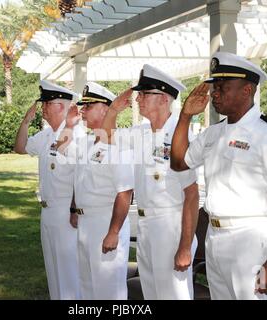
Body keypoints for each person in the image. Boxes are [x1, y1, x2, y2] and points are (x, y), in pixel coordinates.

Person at [170, 52, 267, 300]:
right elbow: (179, 163)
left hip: (251, 239)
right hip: (215, 236)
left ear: (247, 90)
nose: (215, 94)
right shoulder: (213, 133)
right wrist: (185, 116)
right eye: (214, 87)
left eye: (223, 87)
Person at [102, 65, 199, 299]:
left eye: (145, 94)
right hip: (146, 226)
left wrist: (185, 247)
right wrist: (113, 110)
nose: (138, 98)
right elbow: (104, 137)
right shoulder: (141, 133)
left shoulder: (180, 134)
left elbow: (192, 195)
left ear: (164, 99)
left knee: (174, 295)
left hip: (171, 226)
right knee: (152, 294)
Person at [57, 82, 134, 299]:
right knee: (87, 286)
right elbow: (61, 149)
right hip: (85, 223)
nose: (82, 111)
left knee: (108, 289)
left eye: (88, 106)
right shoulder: (87, 142)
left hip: (105, 222)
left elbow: (125, 192)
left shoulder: (119, 144)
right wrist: (69, 126)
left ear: (105, 109)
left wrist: (113, 232)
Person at [14, 80, 83, 300]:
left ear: (62, 107)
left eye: (47, 103)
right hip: (48, 211)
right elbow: (20, 147)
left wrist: (74, 209)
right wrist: (26, 121)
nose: (42, 107)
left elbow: (79, 174)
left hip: (66, 213)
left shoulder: (76, 135)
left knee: (69, 272)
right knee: (53, 270)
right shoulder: (46, 135)